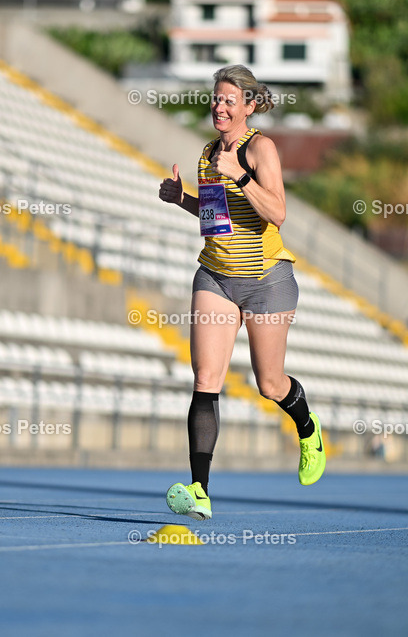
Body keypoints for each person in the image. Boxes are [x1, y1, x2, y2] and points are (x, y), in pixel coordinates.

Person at [157, 65, 324, 521]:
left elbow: (278, 213)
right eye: (216, 98)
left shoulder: (261, 148)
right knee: (205, 380)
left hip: (267, 280)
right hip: (216, 276)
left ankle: (308, 428)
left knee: (269, 383)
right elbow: (216, 218)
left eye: (230, 100)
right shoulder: (209, 152)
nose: (220, 106)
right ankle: (201, 490)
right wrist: (182, 200)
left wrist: (241, 175)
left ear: (250, 106)